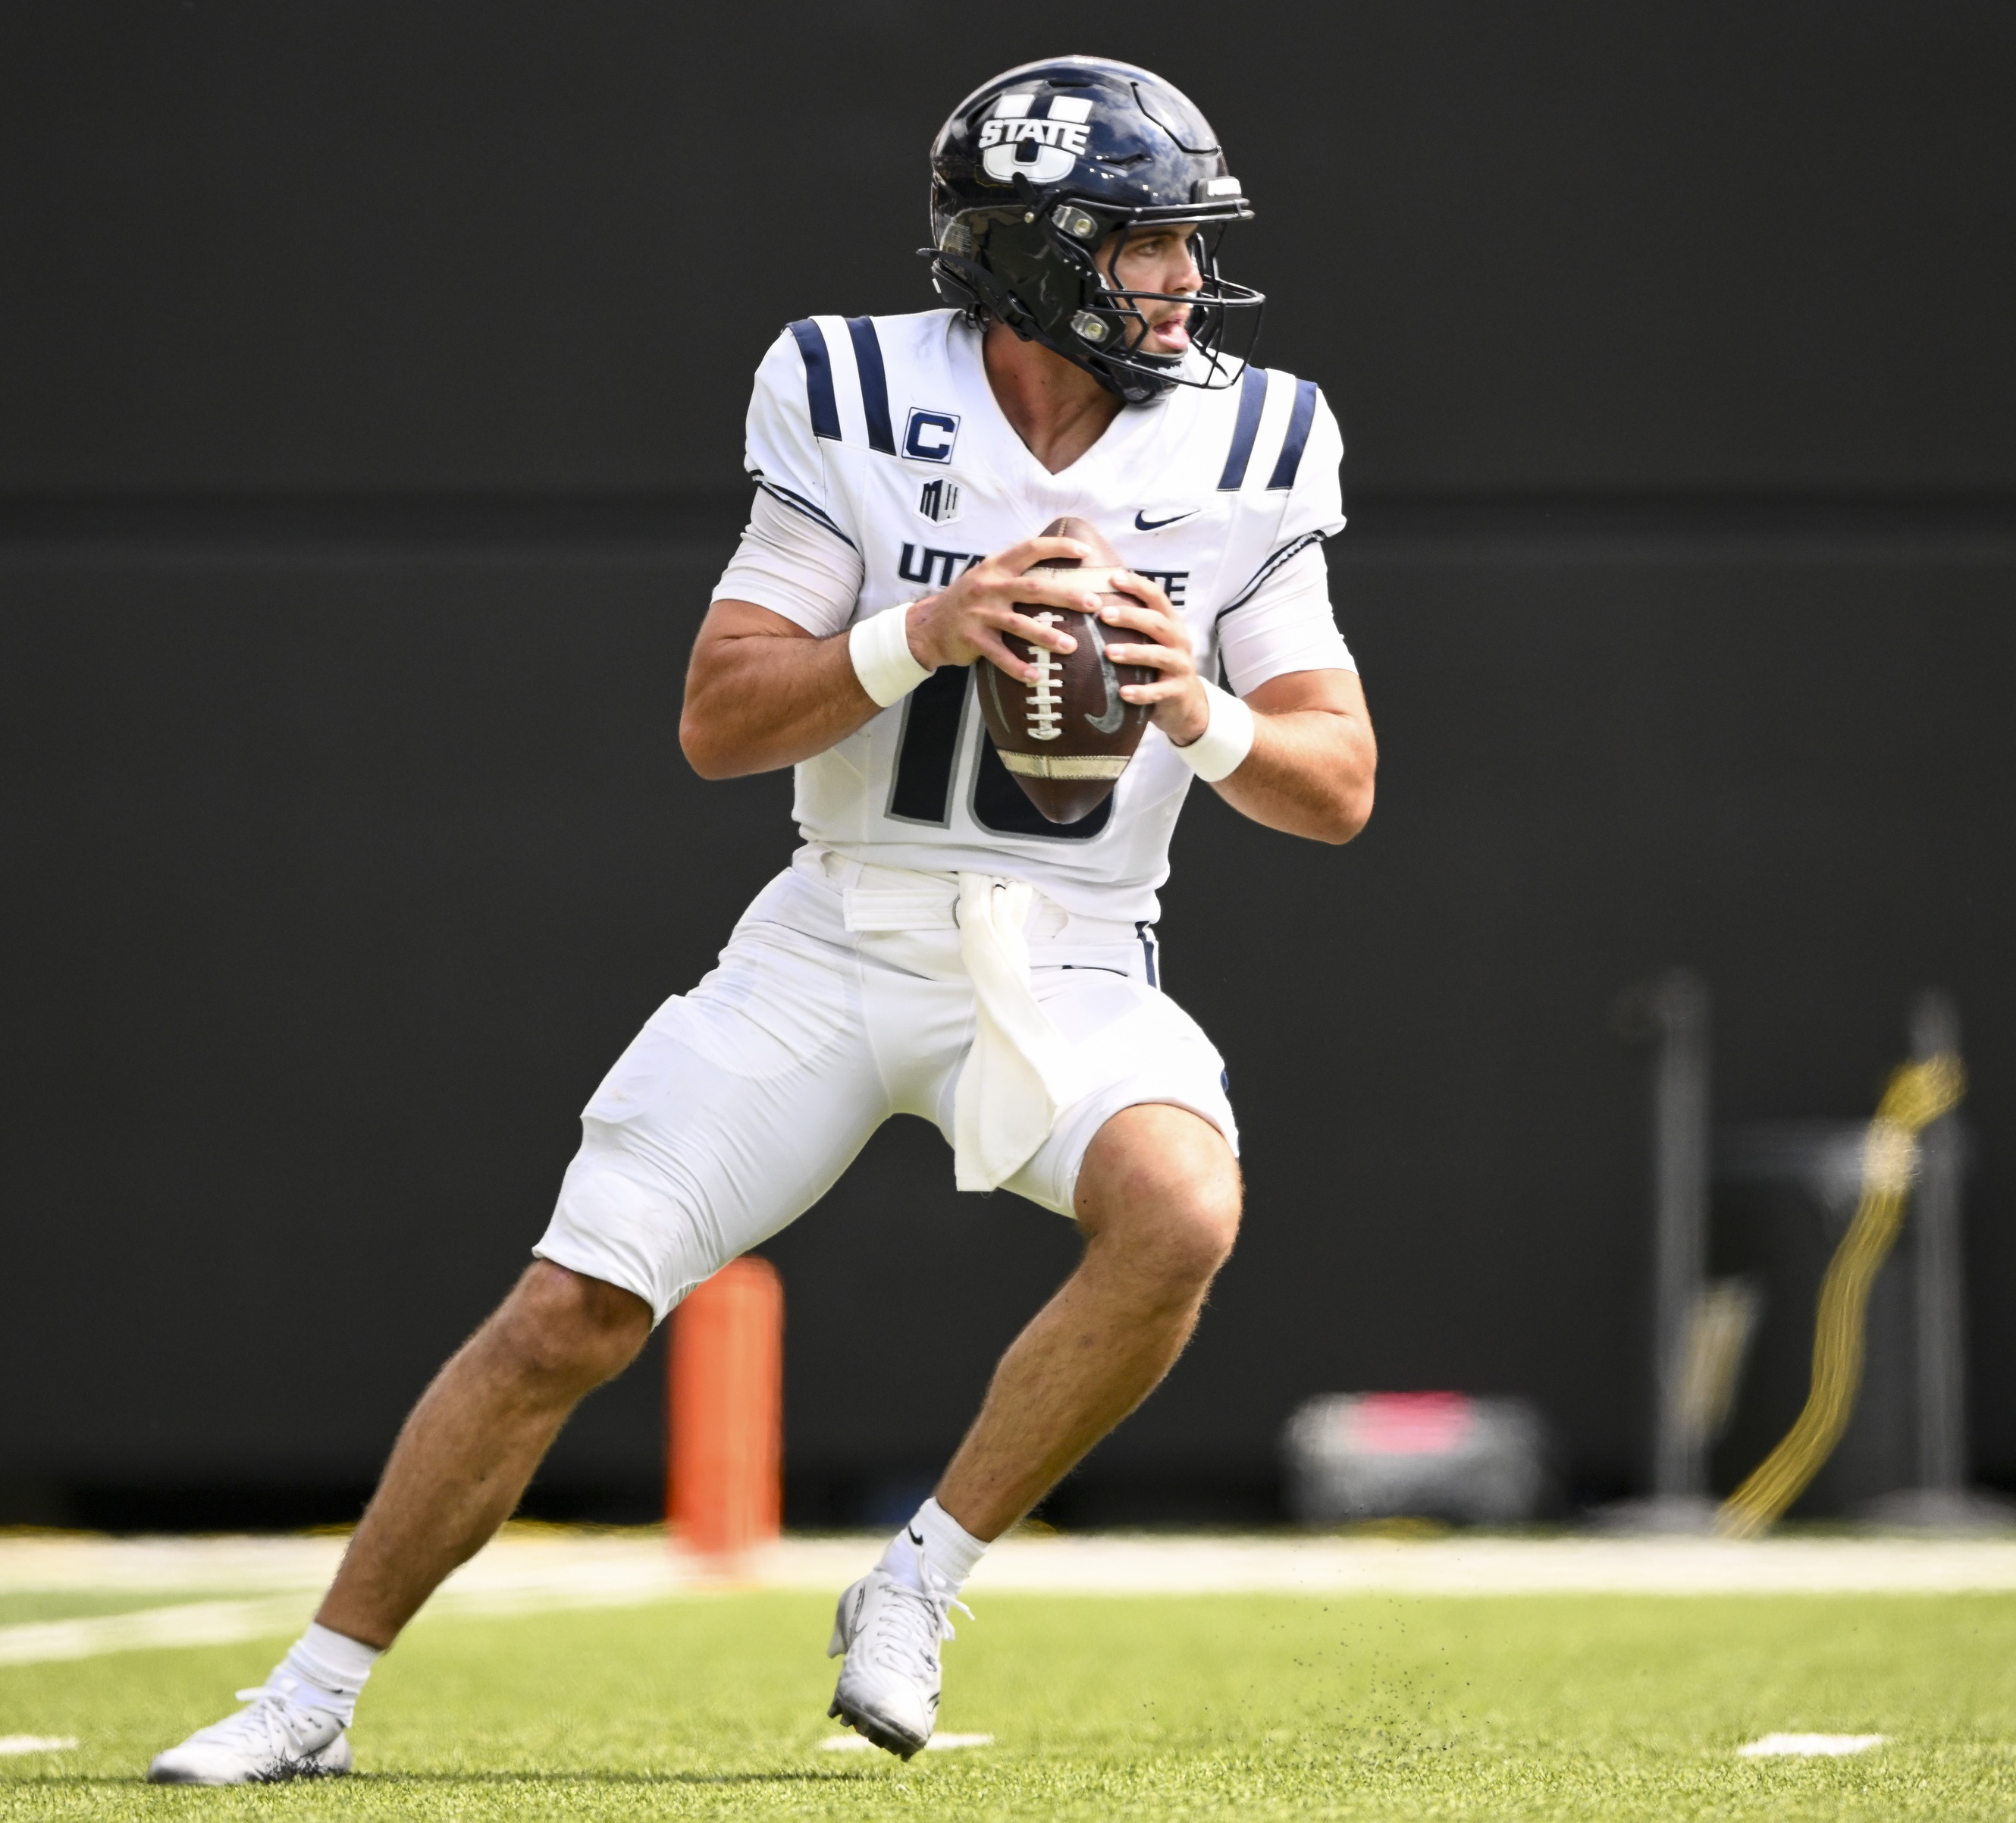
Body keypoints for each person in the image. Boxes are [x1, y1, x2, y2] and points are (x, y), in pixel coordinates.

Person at [148, 52, 1374, 1784]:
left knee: (1182, 1208)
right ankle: (313, 1690)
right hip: (836, 934)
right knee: (572, 1306)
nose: (1183, 278)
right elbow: (722, 720)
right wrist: (923, 632)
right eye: (1145, 240)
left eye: (1187, 240)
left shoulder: (1260, 432)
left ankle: (916, 1581)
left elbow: (1336, 784)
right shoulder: (853, 384)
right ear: (1032, 252)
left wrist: (1209, 712)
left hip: (1074, 948)